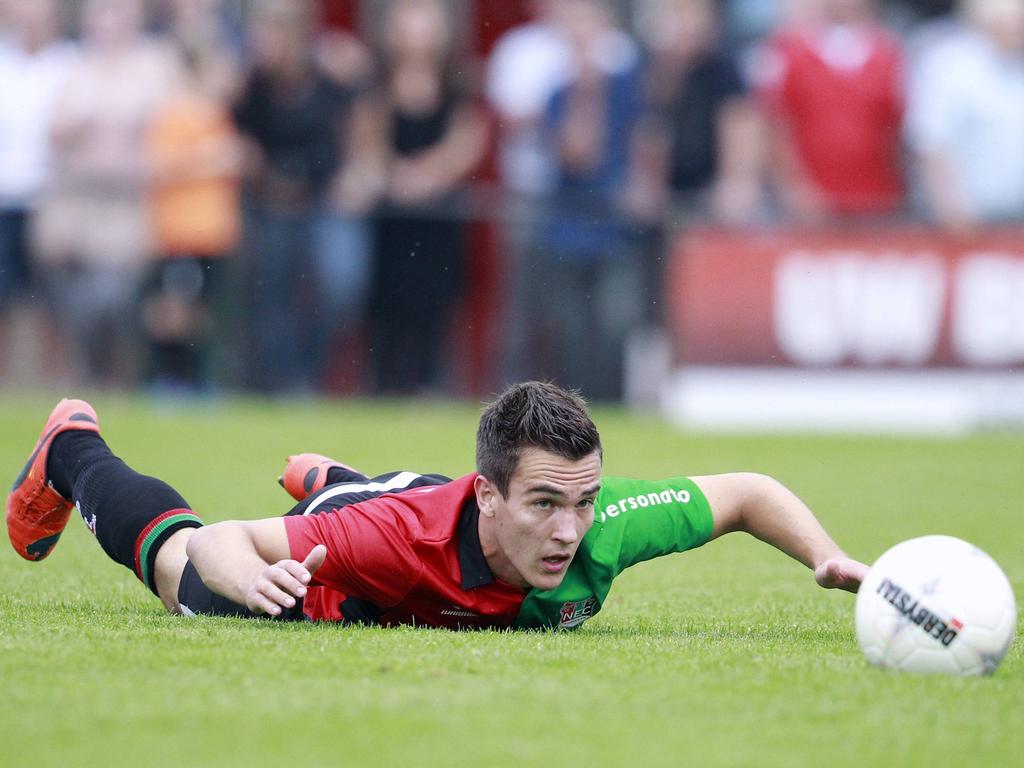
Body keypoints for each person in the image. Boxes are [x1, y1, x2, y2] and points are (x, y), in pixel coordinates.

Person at [7, 381, 866, 629]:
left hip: (389, 507)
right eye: (544, 504)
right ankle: (72, 448)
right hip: (357, 554)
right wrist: (247, 580)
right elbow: (223, 540)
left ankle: (330, 478)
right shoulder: (389, 541)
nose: (570, 529)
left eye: (584, 501)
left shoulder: (604, 523)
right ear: (489, 495)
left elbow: (748, 493)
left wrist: (826, 557)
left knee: (356, 501)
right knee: (178, 571)